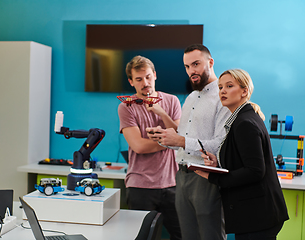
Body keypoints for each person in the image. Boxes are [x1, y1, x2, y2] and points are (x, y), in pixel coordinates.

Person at [146, 44, 231, 240]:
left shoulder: (222, 97)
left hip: (206, 178)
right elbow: (182, 139)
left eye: (196, 64)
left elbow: (220, 145)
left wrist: (182, 140)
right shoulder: (191, 98)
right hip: (182, 177)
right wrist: (164, 138)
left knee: (211, 236)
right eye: (187, 67)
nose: (191, 71)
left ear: (210, 62)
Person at [195, 69, 289, 239]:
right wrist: (218, 163)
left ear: (244, 91)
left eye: (229, 86)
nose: (222, 91)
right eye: (220, 87)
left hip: (258, 216)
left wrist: (213, 177)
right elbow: (243, 160)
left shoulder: (245, 123)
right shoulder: (242, 119)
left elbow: (255, 171)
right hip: (258, 214)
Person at [118, 55, 182, 240]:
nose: (145, 83)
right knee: (144, 237)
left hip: (173, 184)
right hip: (141, 186)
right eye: (138, 79)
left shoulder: (171, 101)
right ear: (131, 82)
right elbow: (138, 146)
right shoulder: (126, 107)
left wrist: (162, 113)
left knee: (183, 236)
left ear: (154, 75)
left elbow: (181, 135)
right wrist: (169, 141)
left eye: (147, 77)